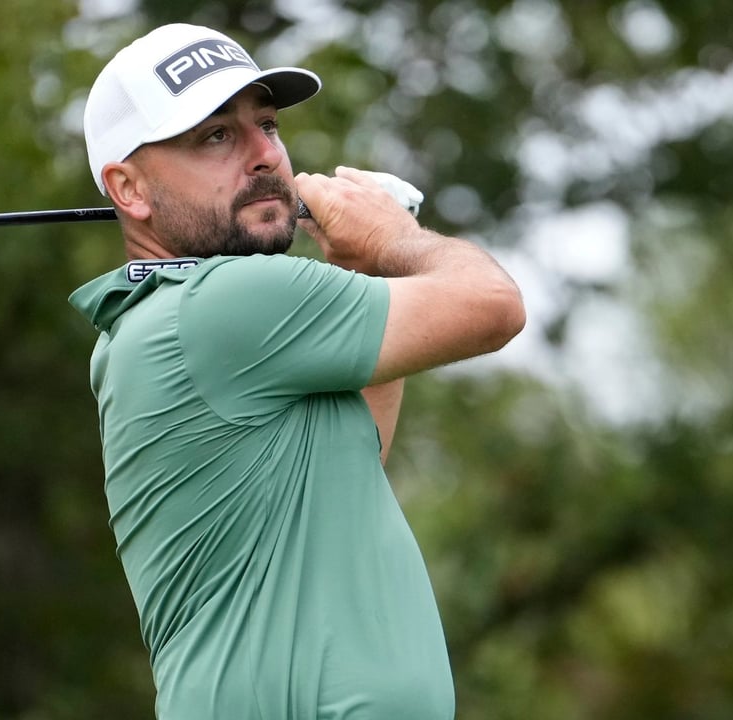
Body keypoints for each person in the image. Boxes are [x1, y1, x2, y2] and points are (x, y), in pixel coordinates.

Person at [68, 23, 525, 720]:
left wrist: (363, 260)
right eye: (215, 136)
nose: (263, 157)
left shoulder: (183, 321)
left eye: (268, 126)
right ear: (129, 188)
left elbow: (350, 458)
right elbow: (494, 306)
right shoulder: (219, 303)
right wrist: (394, 237)